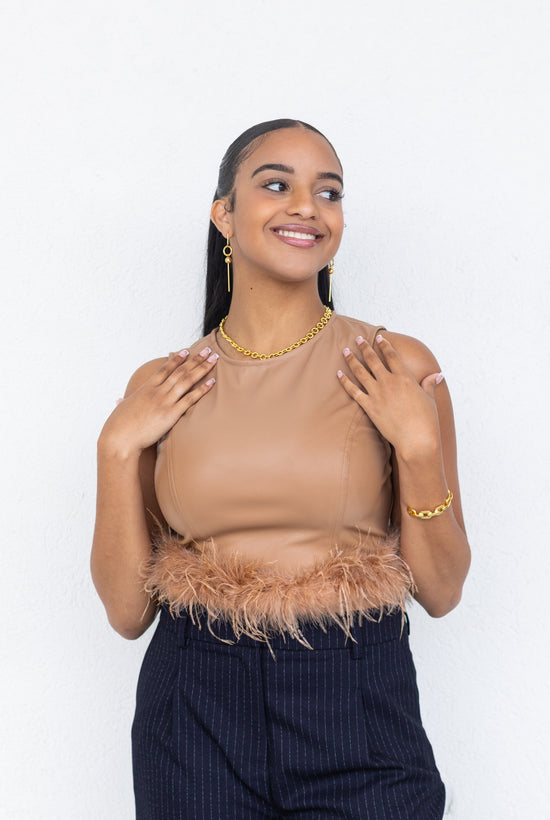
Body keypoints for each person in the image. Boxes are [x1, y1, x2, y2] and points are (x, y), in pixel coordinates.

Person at [91, 118, 471, 819]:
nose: (307, 207)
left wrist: (419, 451)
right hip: (195, 702)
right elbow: (126, 613)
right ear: (224, 215)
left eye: (329, 192)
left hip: (357, 696)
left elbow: (442, 591)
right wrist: (115, 452)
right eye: (276, 185)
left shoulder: (395, 366)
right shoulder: (162, 384)